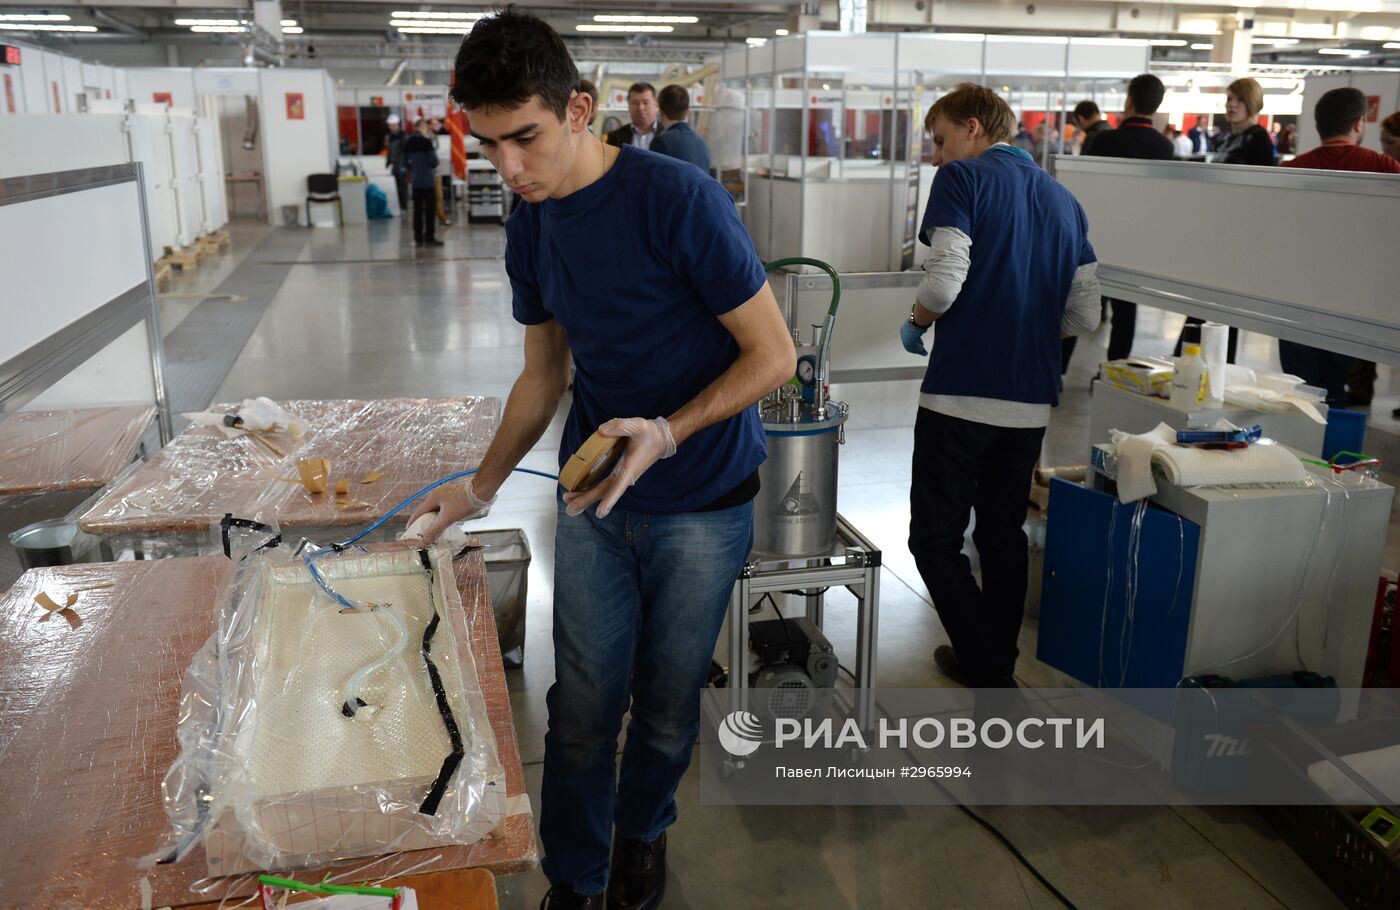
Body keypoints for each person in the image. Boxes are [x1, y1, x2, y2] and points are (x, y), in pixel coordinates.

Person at [412, 10, 794, 909]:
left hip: (703, 500)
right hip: (598, 504)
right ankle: (576, 878)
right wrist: (479, 487)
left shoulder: (677, 200)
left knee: (664, 707)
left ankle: (643, 837)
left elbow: (772, 355)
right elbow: (543, 376)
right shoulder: (532, 228)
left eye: (526, 138)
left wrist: (668, 429)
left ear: (579, 109)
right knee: (581, 709)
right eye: (490, 143)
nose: (508, 167)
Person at [900, 83, 1100, 690]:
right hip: (1029, 403)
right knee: (1000, 534)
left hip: (960, 395)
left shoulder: (962, 180)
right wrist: (1031, 331)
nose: (936, 155)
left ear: (972, 128)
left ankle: (986, 661)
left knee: (934, 539)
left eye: (939, 140)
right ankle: (996, 657)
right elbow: (1085, 314)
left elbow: (942, 286)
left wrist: (917, 322)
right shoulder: (1067, 201)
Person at [1279, 88, 1400, 409]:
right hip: (1352, 302)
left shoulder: (1289, 172)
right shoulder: (1386, 169)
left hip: (1295, 297)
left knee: (1298, 392)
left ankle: (1300, 451)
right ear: (1359, 123)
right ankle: (1333, 454)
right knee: (1335, 388)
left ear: (1319, 124)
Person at [1063, 74, 1173, 375]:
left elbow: (1089, 189)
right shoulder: (1165, 147)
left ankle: (1057, 372)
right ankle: (1114, 371)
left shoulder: (1107, 140)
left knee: (1077, 299)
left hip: (1099, 235)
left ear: (1130, 100)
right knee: (1126, 311)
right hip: (1138, 240)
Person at [650, 84, 711, 173]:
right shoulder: (702, 143)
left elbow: (653, 179)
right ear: (687, 111)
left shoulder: (661, 142)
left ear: (661, 112)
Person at [1217, 78, 1275, 166]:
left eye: (1241, 100)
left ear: (1252, 103)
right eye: (1229, 99)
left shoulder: (1259, 139)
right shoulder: (1227, 137)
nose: (1232, 104)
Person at [402, 118, 442, 247]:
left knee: (417, 211)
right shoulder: (426, 142)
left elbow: (404, 163)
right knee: (430, 211)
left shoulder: (408, 142)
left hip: (415, 182)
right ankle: (429, 237)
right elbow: (434, 162)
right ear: (422, 127)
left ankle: (418, 238)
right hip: (428, 181)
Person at [605, 82, 659, 150]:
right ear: (629, 107)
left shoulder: (668, 135)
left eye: (646, 103)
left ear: (656, 106)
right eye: (635, 103)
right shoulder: (614, 138)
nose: (640, 108)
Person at [385, 113, 409, 214]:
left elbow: (405, 151)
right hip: (394, 165)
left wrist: (405, 164)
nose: (391, 127)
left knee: (402, 186)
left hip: (402, 164)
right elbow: (389, 151)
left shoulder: (403, 136)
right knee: (395, 186)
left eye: (393, 125)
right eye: (389, 125)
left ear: (397, 124)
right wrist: (388, 162)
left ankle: (404, 206)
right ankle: (398, 206)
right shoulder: (390, 137)